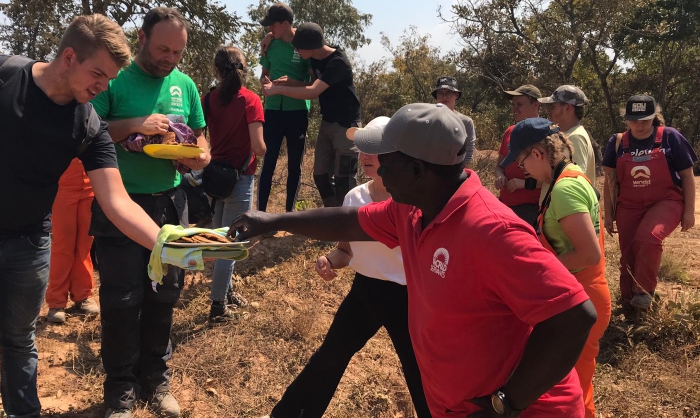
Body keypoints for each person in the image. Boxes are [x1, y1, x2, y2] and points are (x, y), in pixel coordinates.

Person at [231, 103, 597, 418]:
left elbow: (574, 316)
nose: (379, 170)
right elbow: (348, 221)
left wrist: (507, 402)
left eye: (387, 163)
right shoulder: (412, 210)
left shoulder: (492, 231)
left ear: (418, 171)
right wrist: (274, 219)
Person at [0, 14, 168, 417]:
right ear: (69, 56)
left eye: (109, 79)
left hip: (27, 246)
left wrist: (170, 243)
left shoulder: (88, 124)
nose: (102, 86)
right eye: (97, 73)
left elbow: (117, 202)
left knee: (20, 341)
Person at [264, 117, 431, 418]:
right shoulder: (355, 198)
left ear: (395, 155)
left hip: (409, 299)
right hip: (365, 292)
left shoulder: (414, 204)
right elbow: (345, 250)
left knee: (421, 373)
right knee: (329, 358)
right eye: (363, 148)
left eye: (374, 149)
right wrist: (329, 261)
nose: (365, 156)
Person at [89, 7, 210, 418]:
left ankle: (156, 378)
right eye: (162, 49)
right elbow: (91, 129)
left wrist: (200, 156)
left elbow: (199, 135)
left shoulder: (185, 85)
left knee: (165, 294)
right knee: (121, 298)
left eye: (177, 52)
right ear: (141, 37)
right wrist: (139, 122)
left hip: (171, 203)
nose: (170, 59)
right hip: (118, 203)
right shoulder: (114, 78)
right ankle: (119, 388)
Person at [502, 118, 612, 418]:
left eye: (521, 160)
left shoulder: (565, 190)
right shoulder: (568, 176)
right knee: (576, 383)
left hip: (583, 298)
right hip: (581, 295)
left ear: (537, 154)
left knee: (575, 390)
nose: (521, 169)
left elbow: (588, 254)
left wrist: (541, 268)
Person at [602, 95, 697, 310]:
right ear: (626, 119)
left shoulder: (670, 137)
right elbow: (609, 182)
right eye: (635, 120)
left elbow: (687, 175)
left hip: (666, 201)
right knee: (628, 256)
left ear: (654, 117)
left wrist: (689, 211)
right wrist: (608, 214)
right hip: (629, 206)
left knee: (649, 237)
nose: (640, 125)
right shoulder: (617, 142)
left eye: (645, 120)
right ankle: (630, 307)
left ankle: (644, 292)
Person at [262, 22, 361, 208]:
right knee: (321, 175)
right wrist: (291, 82)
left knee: (344, 180)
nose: (296, 51)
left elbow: (313, 92)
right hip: (328, 121)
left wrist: (278, 90)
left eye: (298, 48)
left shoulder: (338, 62)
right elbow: (311, 85)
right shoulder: (316, 57)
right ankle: (332, 220)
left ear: (309, 47)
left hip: (347, 126)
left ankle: (347, 227)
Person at [202, 46, 266, 323]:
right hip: (240, 179)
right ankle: (218, 307)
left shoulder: (207, 100)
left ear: (216, 70)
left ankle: (225, 292)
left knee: (219, 238)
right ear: (244, 69)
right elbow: (260, 148)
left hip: (214, 176)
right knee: (231, 243)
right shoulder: (251, 100)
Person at [257, 2, 312, 213]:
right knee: (268, 163)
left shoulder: (305, 43)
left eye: (272, 25)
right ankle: (260, 214)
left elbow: (315, 84)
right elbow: (264, 75)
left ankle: (290, 215)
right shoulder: (270, 43)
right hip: (272, 110)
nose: (269, 29)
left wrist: (290, 84)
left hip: (297, 111)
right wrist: (265, 83)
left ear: (286, 23)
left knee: (294, 165)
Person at [46, 158, 99, 323]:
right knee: (63, 245)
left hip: (92, 184)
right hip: (61, 185)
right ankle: (56, 302)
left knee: (85, 244)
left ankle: (83, 296)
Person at [494, 84, 542, 228]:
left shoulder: (547, 134)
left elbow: (554, 179)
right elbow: (499, 166)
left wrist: (525, 184)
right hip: (504, 205)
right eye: (513, 104)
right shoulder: (510, 132)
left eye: (519, 104)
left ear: (536, 105)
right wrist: (499, 175)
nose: (514, 109)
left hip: (531, 209)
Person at [539, 85, 597, 199]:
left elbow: (574, 184)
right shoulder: (568, 135)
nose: (549, 111)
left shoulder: (575, 138)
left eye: (553, 106)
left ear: (567, 108)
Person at [432, 76, 475, 167]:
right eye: (440, 93)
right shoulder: (429, 119)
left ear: (456, 95)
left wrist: (463, 173)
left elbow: (468, 151)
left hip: (455, 170)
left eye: (448, 93)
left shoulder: (465, 121)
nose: (444, 97)